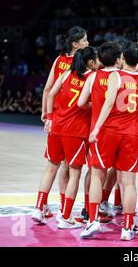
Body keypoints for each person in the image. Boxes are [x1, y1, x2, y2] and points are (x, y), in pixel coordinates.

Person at [83, 42, 138, 241]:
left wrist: (96, 128)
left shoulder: (115, 75)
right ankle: (128, 227)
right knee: (128, 183)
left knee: (97, 176)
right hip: (132, 133)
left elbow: (109, 103)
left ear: (121, 59)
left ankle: (93, 220)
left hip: (110, 131)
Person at [32, 47, 97, 227]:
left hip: (57, 127)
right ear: (91, 62)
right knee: (75, 174)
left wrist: (50, 118)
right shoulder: (92, 77)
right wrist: (92, 105)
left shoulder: (68, 73)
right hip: (75, 131)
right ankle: (66, 217)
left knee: (50, 168)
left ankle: (38, 208)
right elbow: (83, 103)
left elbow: (51, 93)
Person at [40, 26, 89, 221]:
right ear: (76, 44)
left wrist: (46, 113)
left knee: (58, 166)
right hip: (74, 121)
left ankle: (46, 206)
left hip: (57, 119)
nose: (88, 42)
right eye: (85, 40)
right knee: (69, 168)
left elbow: (47, 89)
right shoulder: (83, 66)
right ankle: (64, 209)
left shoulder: (59, 60)